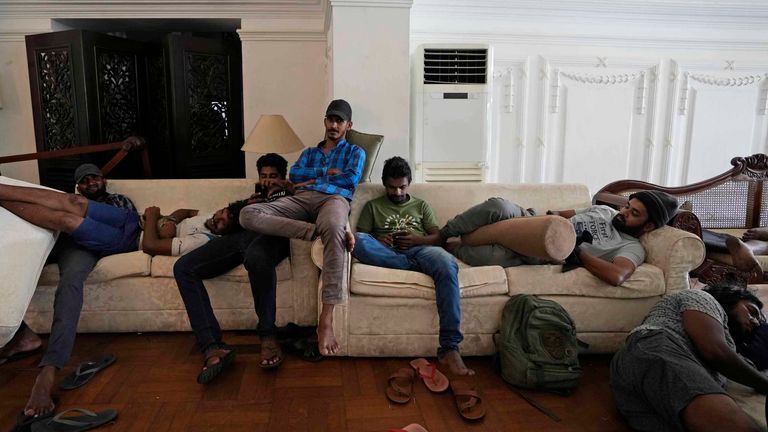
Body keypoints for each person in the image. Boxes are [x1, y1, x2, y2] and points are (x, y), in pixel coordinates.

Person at [0, 163, 139, 417]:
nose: (91, 183)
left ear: (103, 179)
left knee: (68, 220)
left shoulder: (118, 201)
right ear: (78, 186)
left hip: (108, 239)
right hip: (73, 242)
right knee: (27, 259)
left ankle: (48, 372)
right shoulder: (63, 203)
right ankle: (25, 338)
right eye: (84, 181)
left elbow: (134, 225)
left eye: (94, 177)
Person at [239, 99, 365, 356]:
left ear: (348, 125)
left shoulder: (355, 152)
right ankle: (310, 231)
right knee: (248, 213)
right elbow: (295, 176)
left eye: (339, 120)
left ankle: (326, 320)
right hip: (300, 199)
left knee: (333, 228)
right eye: (330, 119)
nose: (333, 124)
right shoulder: (309, 152)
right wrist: (327, 172)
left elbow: (350, 178)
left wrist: (315, 177)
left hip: (334, 199)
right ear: (325, 121)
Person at [173, 153, 293, 383]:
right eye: (264, 176)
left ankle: (268, 337)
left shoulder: (289, 194)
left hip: (271, 238)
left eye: (273, 176)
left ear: (282, 177)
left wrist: (286, 190)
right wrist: (229, 215)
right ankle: (213, 346)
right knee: (184, 268)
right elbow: (225, 222)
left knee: (256, 257)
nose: (268, 180)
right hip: (241, 238)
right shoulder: (252, 199)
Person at [352, 157, 473, 375]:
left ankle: (449, 348)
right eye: (392, 187)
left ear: (409, 183)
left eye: (402, 187)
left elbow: (438, 238)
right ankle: (412, 265)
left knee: (446, 264)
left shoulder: (421, 205)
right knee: (358, 241)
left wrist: (418, 239)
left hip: (421, 249)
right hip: (386, 253)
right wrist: (379, 241)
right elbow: (361, 238)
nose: (398, 193)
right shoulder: (373, 206)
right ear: (384, 183)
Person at [610, 283, 768, 431]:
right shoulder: (702, 298)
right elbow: (714, 351)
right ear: (734, 297)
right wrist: (763, 383)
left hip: (643, 378)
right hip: (658, 348)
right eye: (752, 311)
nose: (754, 321)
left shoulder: (729, 342)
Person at [439, 190, 680, 286]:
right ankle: (441, 235)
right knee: (498, 205)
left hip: (545, 252)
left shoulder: (632, 247)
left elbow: (617, 276)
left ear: (648, 226)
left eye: (633, 213)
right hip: (536, 222)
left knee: (492, 255)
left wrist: (578, 254)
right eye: (627, 206)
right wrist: (549, 217)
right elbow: (563, 214)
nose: (624, 213)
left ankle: (451, 247)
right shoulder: (607, 211)